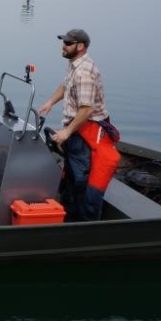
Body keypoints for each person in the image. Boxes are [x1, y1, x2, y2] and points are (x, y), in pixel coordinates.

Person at [38, 29, 121, 222]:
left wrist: (67, 131)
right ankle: (68, 214)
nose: (63, 46)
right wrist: (50, 102)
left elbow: (87, 110)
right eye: (63, 42)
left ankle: (81, 224)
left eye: (68, 43)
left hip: (86, 132)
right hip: (76, 130)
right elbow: (66, 85)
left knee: (80, 180)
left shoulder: (84, 72)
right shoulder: (74, 65)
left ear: (80, 46)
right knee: (71, 177)